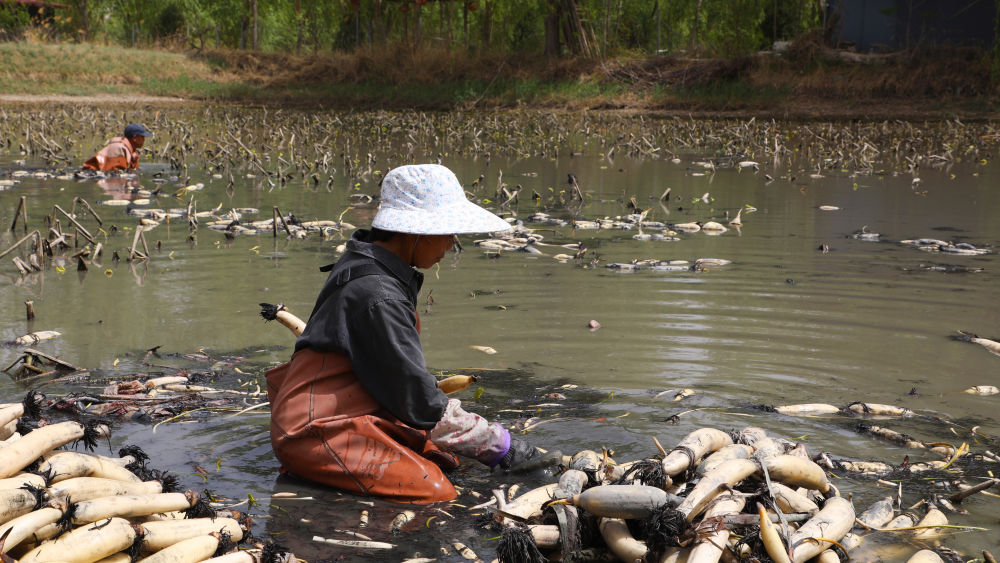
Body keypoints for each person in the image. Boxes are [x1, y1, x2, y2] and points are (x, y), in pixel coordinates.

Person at [266, 164, 545, 503]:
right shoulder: (378, 294)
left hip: (352, 414)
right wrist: (503, 447)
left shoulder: (370, 267)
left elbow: (399, 381)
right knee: (435, 492)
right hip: (314, 431)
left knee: (449, 460)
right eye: (448, 232)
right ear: (417, 232)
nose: (453, 244)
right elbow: (420, 401)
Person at [83, 123, 153, 171]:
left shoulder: (130, 151)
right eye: (142, 137)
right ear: (135, 138)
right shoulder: (119, 149)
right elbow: (115, 172)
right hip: (90, 172)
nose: (144, 140)